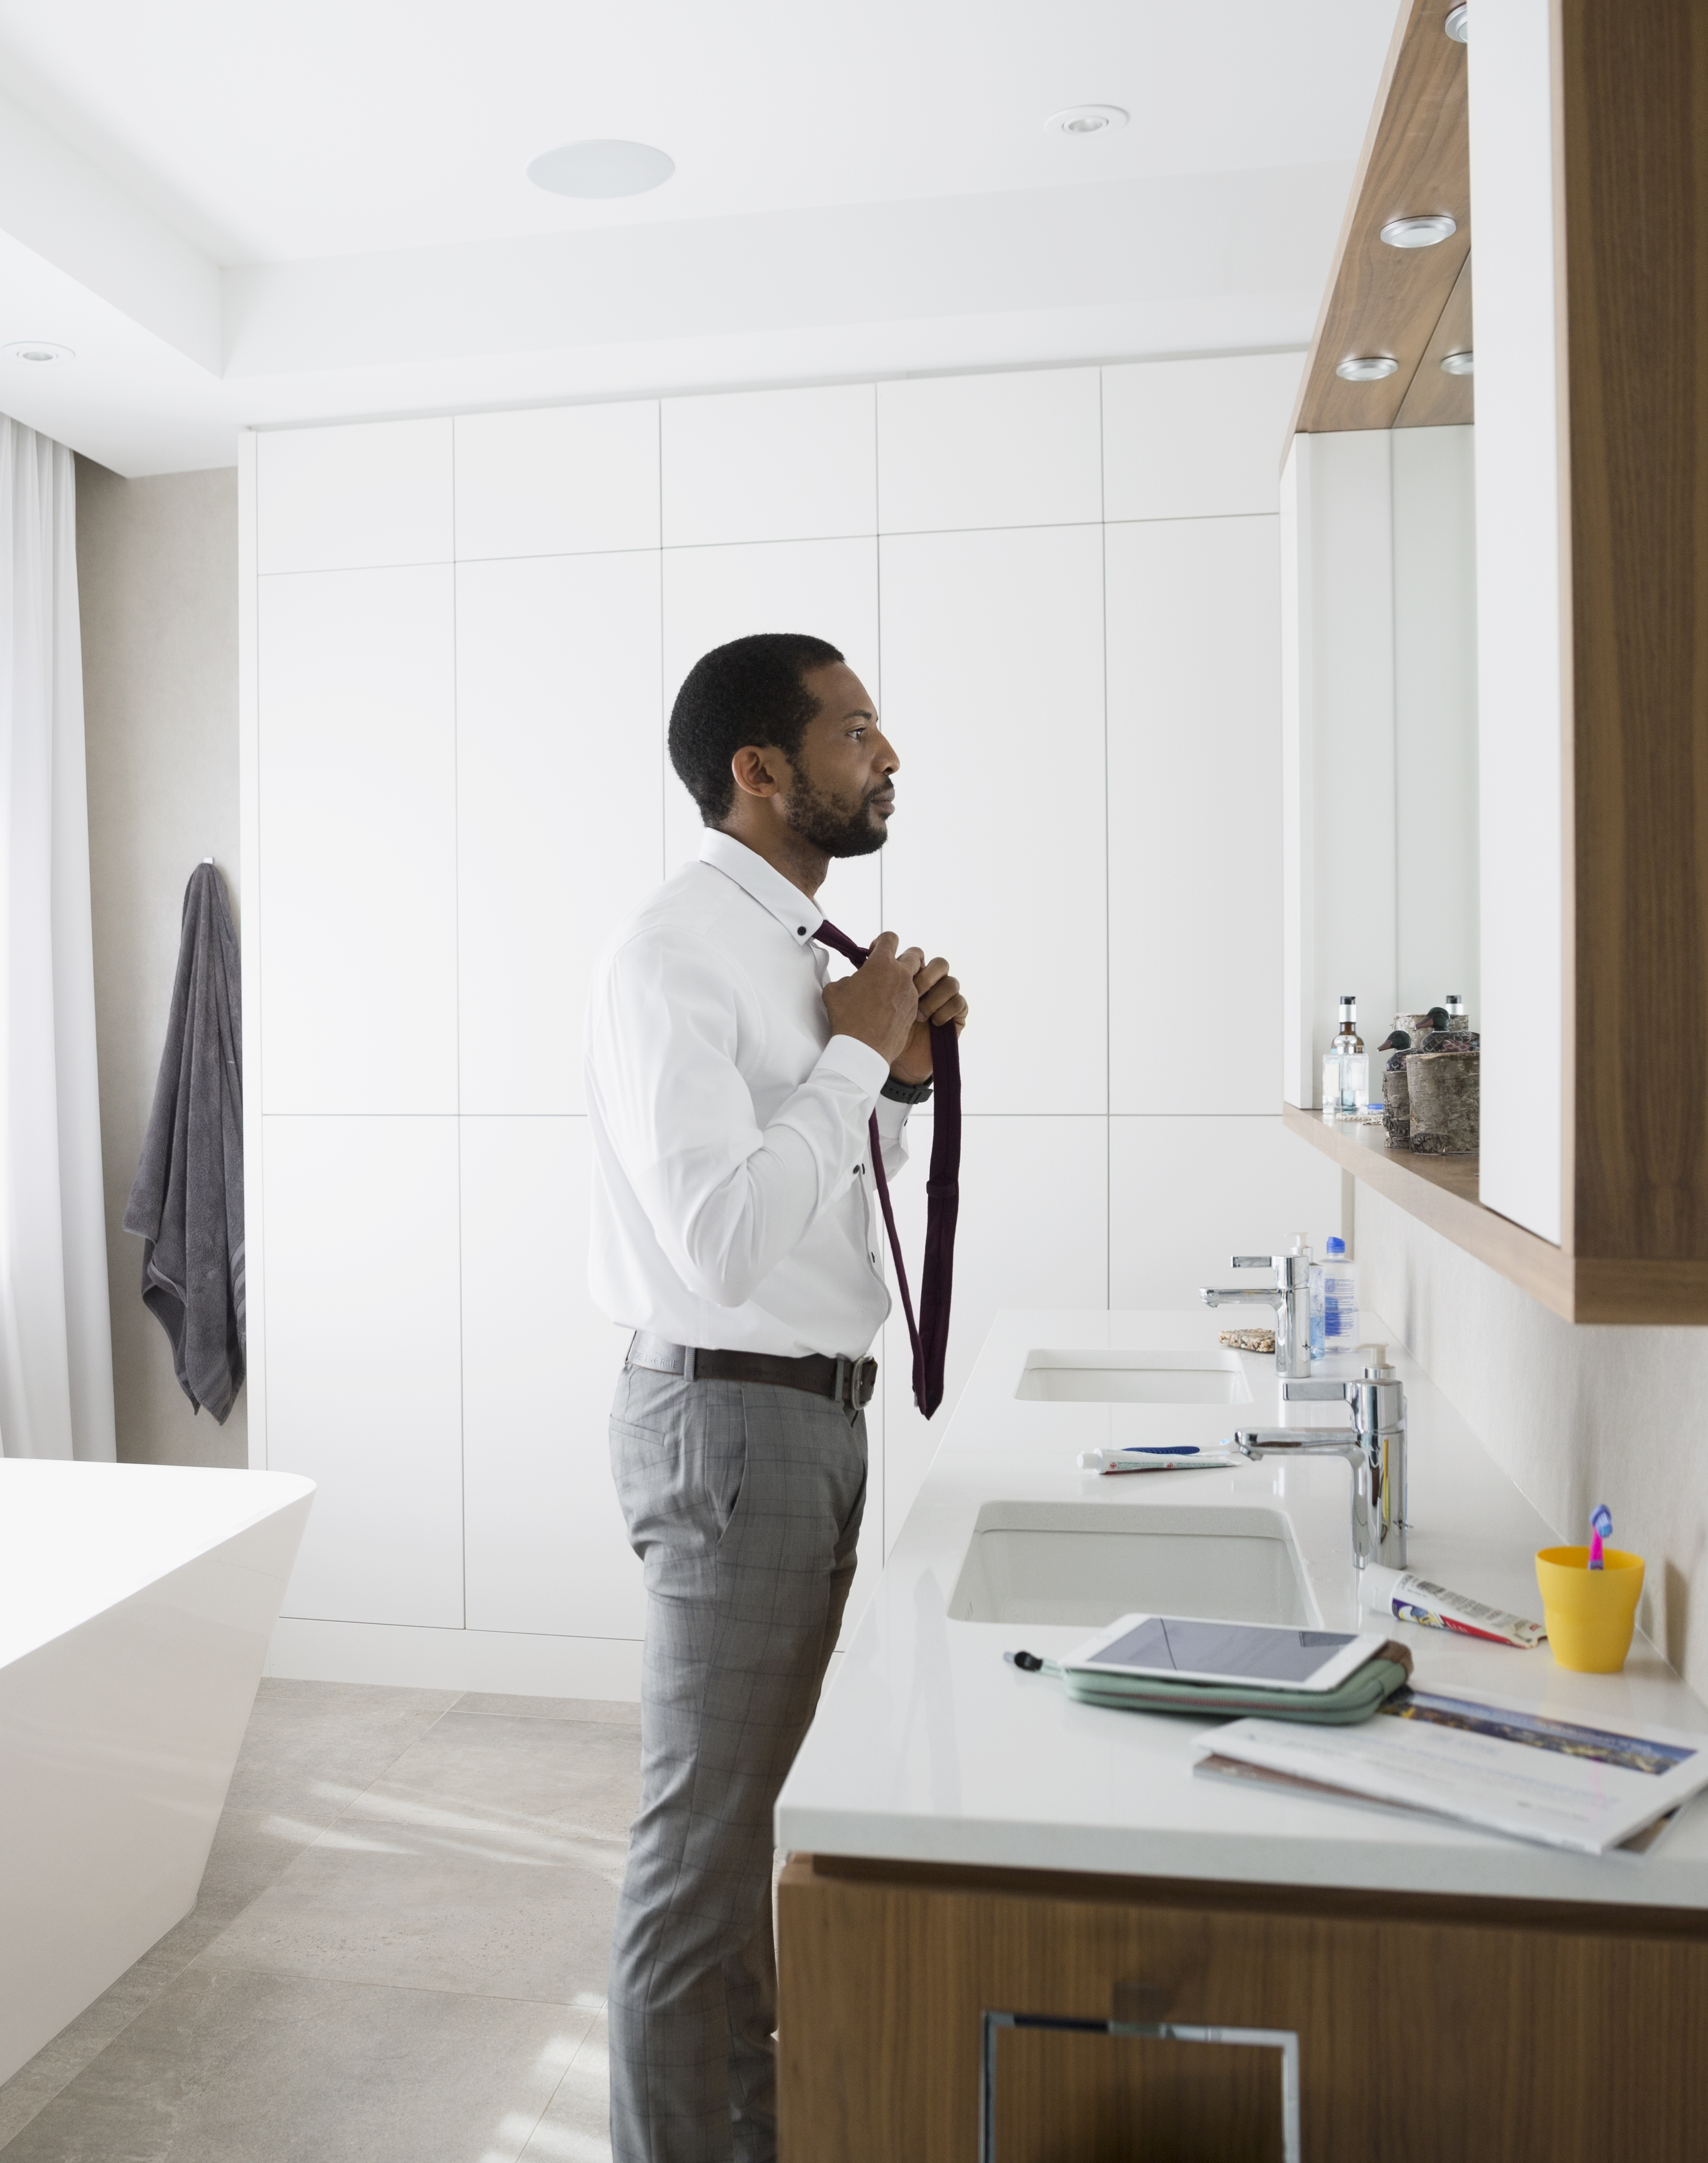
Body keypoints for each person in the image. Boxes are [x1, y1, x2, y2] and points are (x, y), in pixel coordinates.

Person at [583, 631, 969, 2163]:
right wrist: (854, 1059)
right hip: (730, 1419)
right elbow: (726, 1242)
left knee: (750, 1841)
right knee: (700, 1855)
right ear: (761, 771)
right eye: (858, 732)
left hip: (810, 1417)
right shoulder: (678, 953)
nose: (887, 758)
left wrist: (903, 1077)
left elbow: (835, 1216)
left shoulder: (805, 955)